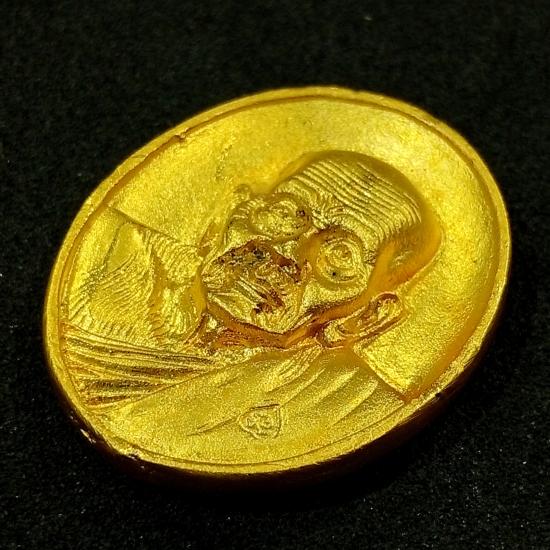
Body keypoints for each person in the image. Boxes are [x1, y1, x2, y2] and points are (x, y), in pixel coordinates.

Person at [66, 150, 440, 441]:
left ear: (371, 315)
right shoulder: (115, 253)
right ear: (238, 209)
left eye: (338, 258)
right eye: (282, 217)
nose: (284, 255)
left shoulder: (344, 402)